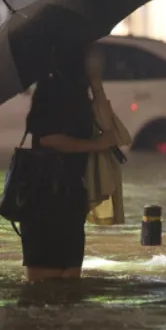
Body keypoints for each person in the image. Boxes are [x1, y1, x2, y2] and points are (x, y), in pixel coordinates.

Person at [19, 46, 117, 282]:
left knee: (70, 280)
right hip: (44, 197)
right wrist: (96, 145)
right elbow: (49, 138)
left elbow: (111, 130)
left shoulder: (80, 91)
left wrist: (96, 83)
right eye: (91, 56)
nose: (98, 60)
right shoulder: (52, 88)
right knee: (44, 283)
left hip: (71, 196)